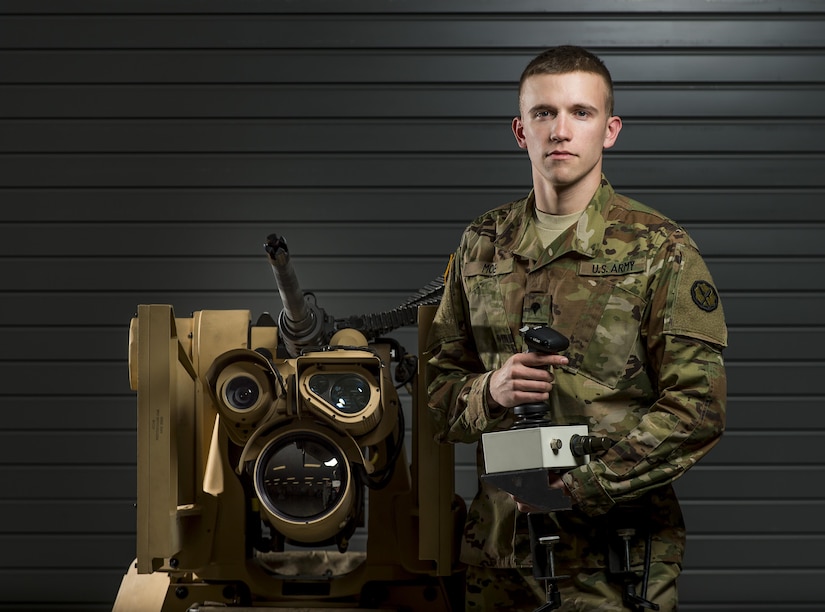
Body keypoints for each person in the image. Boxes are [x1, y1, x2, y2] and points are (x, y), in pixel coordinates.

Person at [425, 45, 727, 611]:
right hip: (499, 557)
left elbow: (699, 408)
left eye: (580, 113)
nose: (560, 130)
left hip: (614, 562)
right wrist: (489, 391)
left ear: (609, 130)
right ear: (521, 130)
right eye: (544, 113)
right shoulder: (481, 245)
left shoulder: (659, 249)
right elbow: (437, 395)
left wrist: (580, 486)